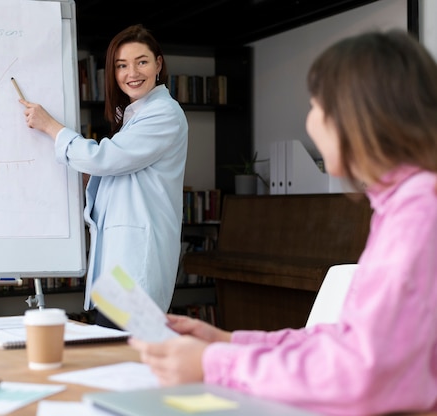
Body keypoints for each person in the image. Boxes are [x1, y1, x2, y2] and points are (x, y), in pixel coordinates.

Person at [129, 29, 437, 415]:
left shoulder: (419, 214)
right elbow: (349, 342)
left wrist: (213, 363)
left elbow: (360, 373)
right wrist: (227, 342)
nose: (310, 122)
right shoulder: (405, 204)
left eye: (316, 107)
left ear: (356, 115)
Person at [19, 24, 188, 328]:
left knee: (122, 360)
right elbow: (116, 175)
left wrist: (50, 127)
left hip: (136, 267)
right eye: (122, 65)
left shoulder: (164, 113)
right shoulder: (135, 115)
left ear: (158, 64)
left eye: (142, 61)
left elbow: (105, 159)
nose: (132, 72)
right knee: (118, 357)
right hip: (119, 268)